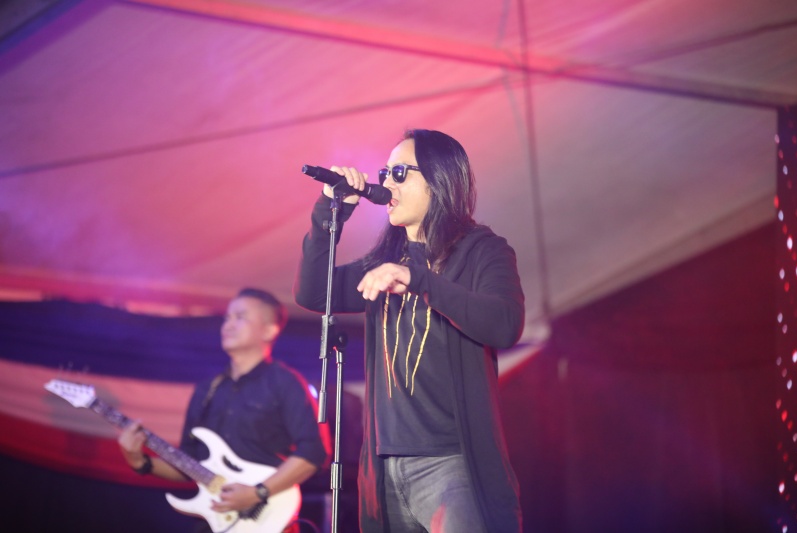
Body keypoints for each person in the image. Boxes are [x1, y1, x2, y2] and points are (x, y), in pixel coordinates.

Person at [294, 129, 524, 532]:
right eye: (385, 173)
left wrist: (419, 279)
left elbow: (504, 325)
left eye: (399, 173)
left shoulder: (482, 250)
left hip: (452, 463)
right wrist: (330, 215)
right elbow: (313, 292)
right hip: (384, 468)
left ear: (438, 180)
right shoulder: (386, 260)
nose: (387, 183)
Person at [118, 288, 330, 532]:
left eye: (240, 317)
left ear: (269, 330)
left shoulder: (285, 383)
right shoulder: (206, 389)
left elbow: (314, 452)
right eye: (227, 317)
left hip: (268, 519)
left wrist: (257, 492)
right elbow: (189, 464)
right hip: (215, 520)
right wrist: (140, 462)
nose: (228, 325)